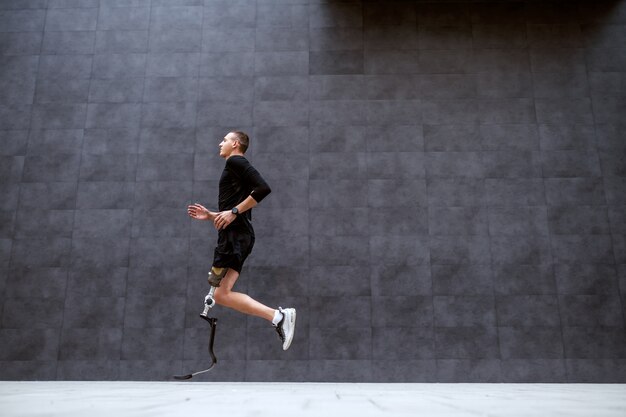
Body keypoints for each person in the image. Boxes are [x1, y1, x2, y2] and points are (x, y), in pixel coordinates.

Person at [187, 131, 296, 351]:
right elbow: (233, 209)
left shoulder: (236, 161)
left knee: (219, 292)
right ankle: (278, 316)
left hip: (235, 236)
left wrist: (234, 212)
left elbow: (263, 188)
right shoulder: (234, 166)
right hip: (237, 234)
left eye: (225, 140)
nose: (220, 143)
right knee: (221, 294)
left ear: (235, 144)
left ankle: (279, 316)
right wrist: (212, 215)